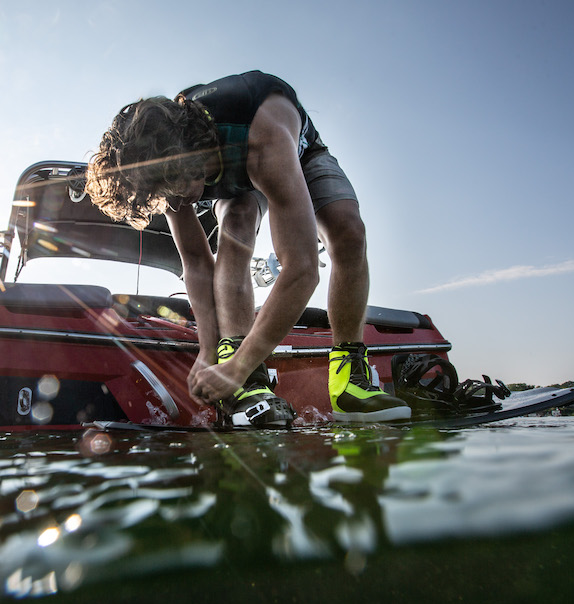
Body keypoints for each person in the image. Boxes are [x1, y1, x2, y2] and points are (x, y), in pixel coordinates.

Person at [86, 70, 410, 426]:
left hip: (296, 150)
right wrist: (209, 350)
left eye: (178, 188)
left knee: (349, 231)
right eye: (167, 195)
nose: (178, 201)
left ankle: (348, 378)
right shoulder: (164, 165)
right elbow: (195, 261)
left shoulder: (263, 138)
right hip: (226, 165)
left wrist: (236, 369)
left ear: (191, 157)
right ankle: (244, 372)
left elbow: (302, 268)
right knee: (236, 222)